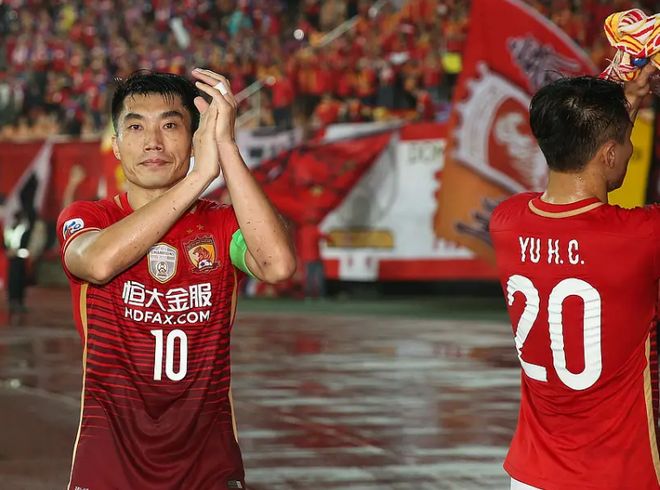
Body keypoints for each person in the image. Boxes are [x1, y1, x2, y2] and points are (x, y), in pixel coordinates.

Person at [57, 70, 296, 489]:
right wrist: (199, 177)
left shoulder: (222, 225)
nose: (153, 141)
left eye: (170, 125)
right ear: (116, 145)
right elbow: (96, 262)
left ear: (193, 140)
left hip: (208, 468)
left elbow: (277, 266)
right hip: (108, 469)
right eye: (136, 127)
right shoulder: (89, 217)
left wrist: (226, 146)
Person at [490, 63, 659, 490]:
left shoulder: (507, 221)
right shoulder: (641, 236)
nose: (631, 150)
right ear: (610, 153)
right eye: (626, 142)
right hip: (617, 476)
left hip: (531, 475)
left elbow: (585, 153)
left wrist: (627, 103)